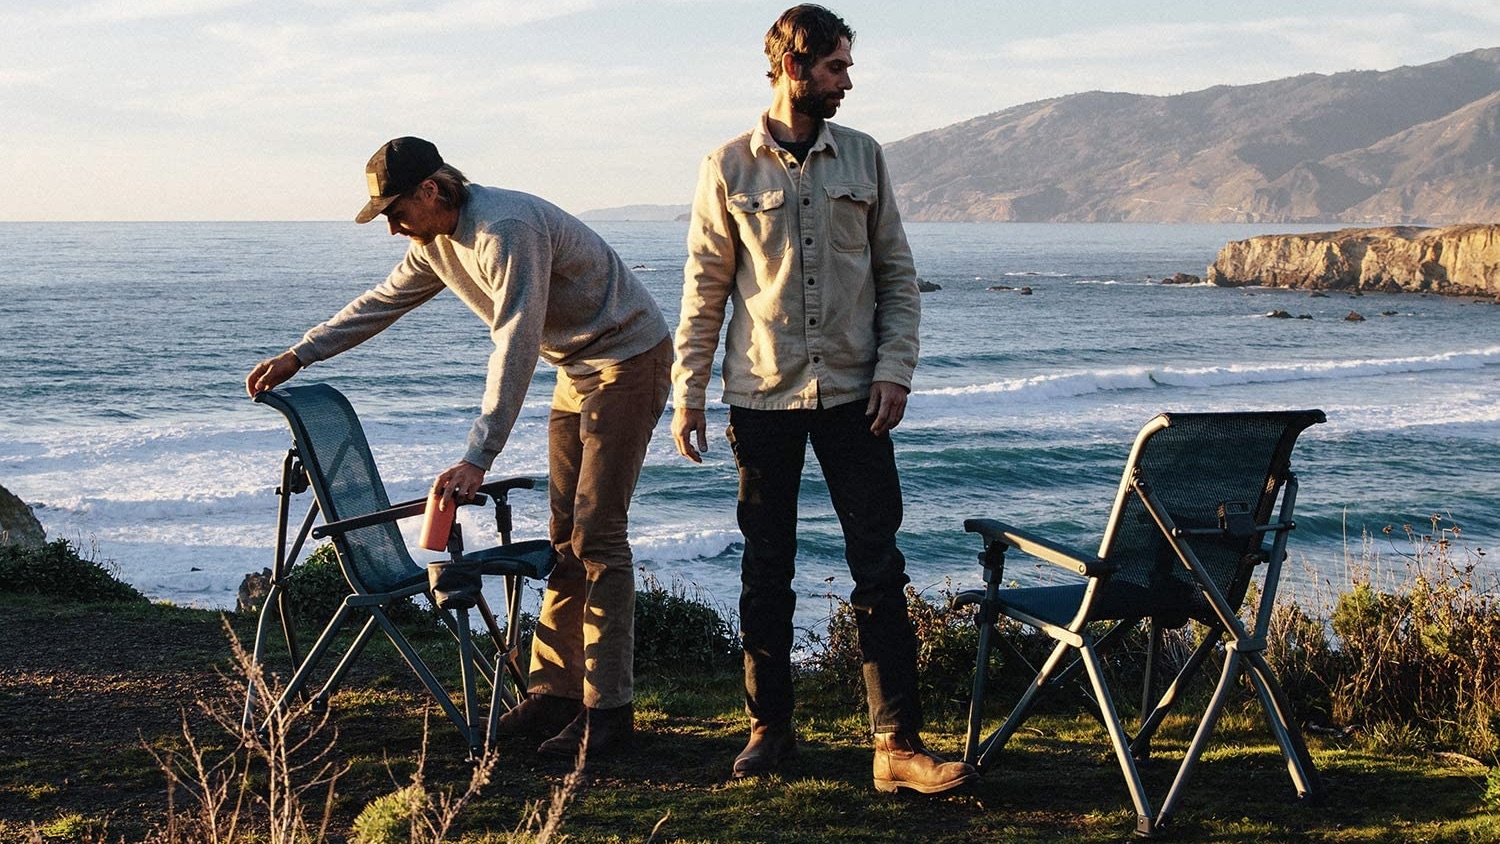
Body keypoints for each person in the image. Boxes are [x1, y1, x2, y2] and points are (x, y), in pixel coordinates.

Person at [245, 136, 671, 759]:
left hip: (625, 360)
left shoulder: (504, 230)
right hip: (576, 370)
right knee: (564, 539)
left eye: (396, 212)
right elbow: (380, 304)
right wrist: (299, 354)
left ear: (432, 190)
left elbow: (517, 341)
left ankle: (608, 715)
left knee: (599, 537)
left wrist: (481, 454)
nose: (393, 229)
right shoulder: (436, 243)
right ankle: (555, 692)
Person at [670, 6, 975, 794]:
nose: (848, 81)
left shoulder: (866, 158)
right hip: (760, 396)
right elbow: (704, 293)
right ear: (793, 68)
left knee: (879, 566)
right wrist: (689, 394)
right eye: (837, 67)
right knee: (766, 569)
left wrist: (895, 369)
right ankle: (769, 731)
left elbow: (898, 278)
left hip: (854, 397)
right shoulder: (726, 167)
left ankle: (896, 746)